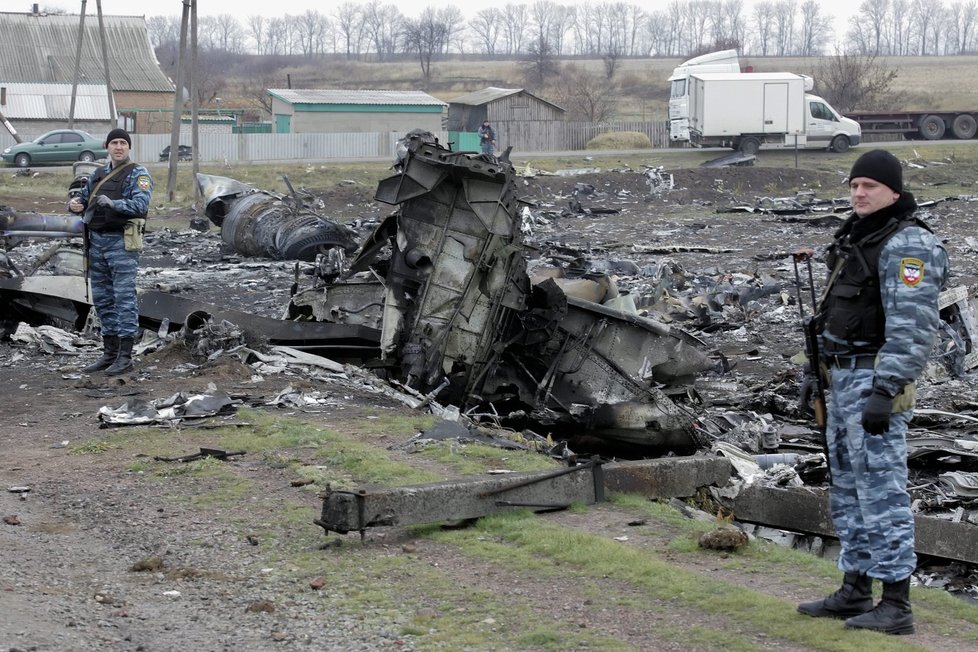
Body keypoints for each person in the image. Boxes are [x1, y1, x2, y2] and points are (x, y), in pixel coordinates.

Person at [797, 149, 949, 635]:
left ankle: (896, 604)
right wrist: (813, 373)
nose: (859, 193)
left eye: (870, 186)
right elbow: (832, 315)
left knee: (881, 489)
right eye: (854, 184)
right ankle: (855, 589)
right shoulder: (857, 238)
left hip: (874, 378)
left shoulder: (910, 246)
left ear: (894, 192)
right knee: (847, 486)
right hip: (840, 376)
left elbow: (914, 327)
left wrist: (887, 389)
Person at [68, 128, 153, 376]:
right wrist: (74, 205)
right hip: (97, 242)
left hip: (122, 243)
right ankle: (109, 353)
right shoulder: (98, 173)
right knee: (103, 300)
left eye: (123, 143)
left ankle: (125, 357)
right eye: (114, 142)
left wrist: (114, 203)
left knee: (123, 299)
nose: (118, 147)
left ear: (128, 147)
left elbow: (141, 204)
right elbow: (83, 199)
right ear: (107, 146)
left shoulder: (138, 173)